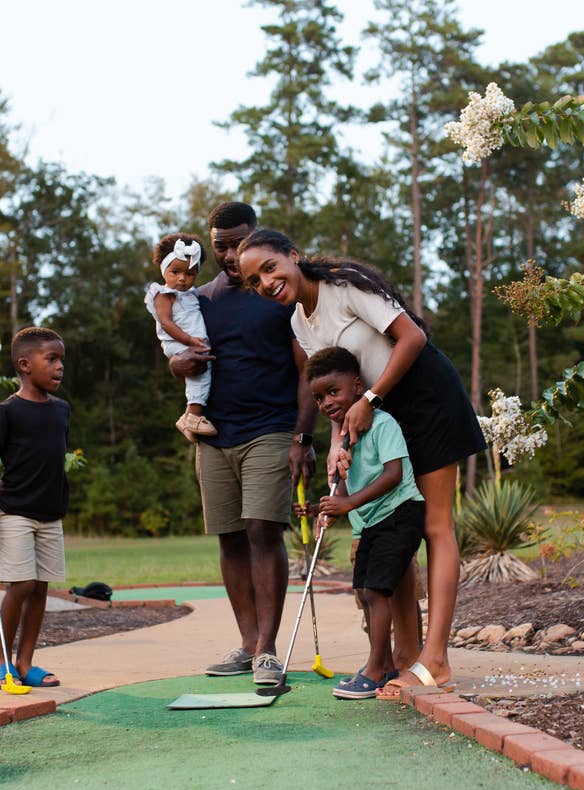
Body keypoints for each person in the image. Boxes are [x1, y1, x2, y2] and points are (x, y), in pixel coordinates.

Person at [237, 229, 486, 698]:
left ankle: (436, 660)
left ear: (293, 256)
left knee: (435, 527)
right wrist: (336, 441)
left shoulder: (344, 286)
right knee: (397, 530)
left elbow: (412, 336)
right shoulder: (299, 324)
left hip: (426, 398)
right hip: (379, 418)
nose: (266, 282)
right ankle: (405, 658)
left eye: (270, 267)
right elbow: (336, 387)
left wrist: (371, 397)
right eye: (253, 280)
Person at [169, 202, 316, 686]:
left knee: (262, 529)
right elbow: (179, 355)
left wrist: (302, 436)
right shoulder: (199, 300)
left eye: (239, 244)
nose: (231, 255)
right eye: (221, 247)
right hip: (213, 435)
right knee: (230, 537)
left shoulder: (278, 296)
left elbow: (306, 370)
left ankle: (270, 651)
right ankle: (248, 643)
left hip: (271, 430)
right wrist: (177, 366)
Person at [297, 347, 425, 700]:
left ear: (357, 387)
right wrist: (318, 508)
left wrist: (349, 503)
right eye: (318, 398)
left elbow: (394, 474)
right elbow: (343, 491)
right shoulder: (343, 441)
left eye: (333, 392)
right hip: (372, 521)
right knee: (367, 594)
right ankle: (381, 666)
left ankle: (375, 669)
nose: (326, 402)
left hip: (400, 513)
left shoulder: (383, 424)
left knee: (376, 591)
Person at [0, 326, 70, 689]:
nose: (60, 367)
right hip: (14, 510)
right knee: (21, 584)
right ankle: (0, 661)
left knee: (41, 587)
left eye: (62, 360)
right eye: (52, 359)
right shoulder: (8, 411)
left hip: (50, 513)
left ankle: (26, 662)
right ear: (25, 364)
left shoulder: (62, 411)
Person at [144, 232, 217, 442]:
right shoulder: (164, 294)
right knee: (201, 372)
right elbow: (166, 322)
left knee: (202, 373)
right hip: (179, 343)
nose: (182, 279)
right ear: (163, 270)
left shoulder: (191, 293)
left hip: (192, 342)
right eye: (175, 272)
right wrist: (188, 341)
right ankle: (194, 416)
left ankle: (186, 418)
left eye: (190, 273)